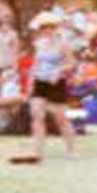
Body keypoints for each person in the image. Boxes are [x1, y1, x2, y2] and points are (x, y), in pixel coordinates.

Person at [13, 16, 79, 164]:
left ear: (55, 29)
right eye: (43, 28)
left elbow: (72, 63)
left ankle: (71, 149)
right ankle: (37, 150)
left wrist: (60, 70)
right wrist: (30, 84)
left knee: (60, 118)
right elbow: (35, 64)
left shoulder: (63, 44)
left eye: (50, 28)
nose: (47, 31)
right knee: (37, 115)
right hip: (40, 81)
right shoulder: (39, 44)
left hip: (56, 83)